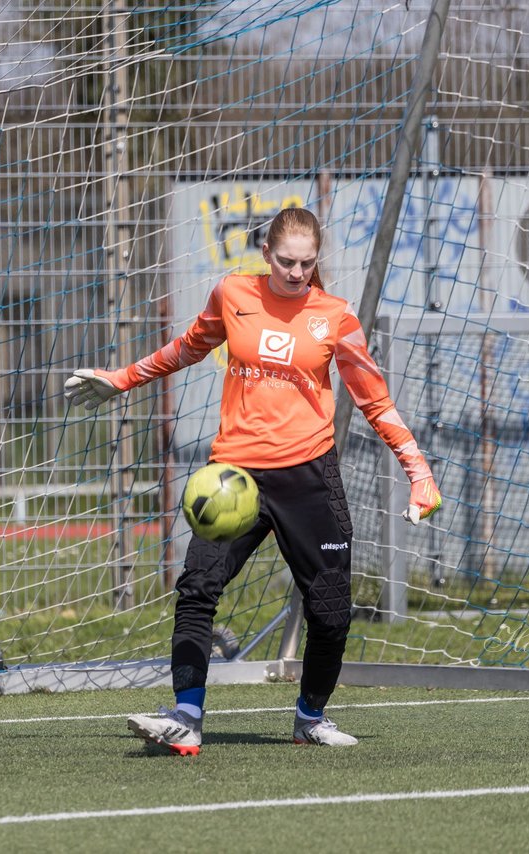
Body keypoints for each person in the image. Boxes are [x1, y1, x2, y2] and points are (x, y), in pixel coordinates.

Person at [63, 207, 441, 755]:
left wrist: (419, 472)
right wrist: (121, 380)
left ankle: (310, 717)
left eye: (307, 263)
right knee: (197, 590)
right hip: (233, 474)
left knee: (331, 613)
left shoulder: (334, 316)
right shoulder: (232, 294)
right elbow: (188, 346)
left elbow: (374, 399)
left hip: (310, 475)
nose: (296, 272)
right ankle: (187, 717)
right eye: (286, 261)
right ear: (265, 254)